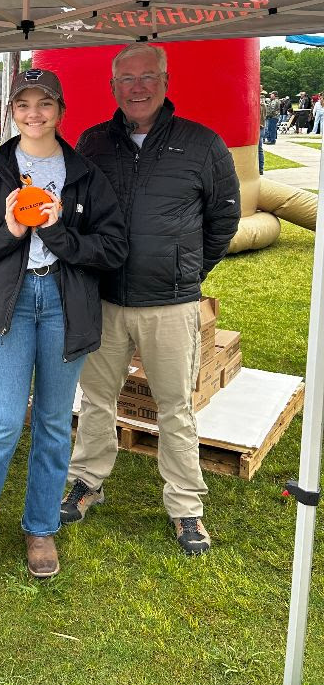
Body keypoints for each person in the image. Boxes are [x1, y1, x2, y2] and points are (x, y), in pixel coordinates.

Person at [0, 70, 127, 599]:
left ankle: (41, 528)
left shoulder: (83, 173)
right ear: (12, 111)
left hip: (65, 305)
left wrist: (58, 231)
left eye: (45, 104)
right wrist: (13, 230)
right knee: (1, 423)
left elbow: (112, 248)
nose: (34, 113)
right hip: (10, 306)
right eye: (24, 104)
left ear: (61, 110)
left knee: (55, 424)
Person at [62, 43, 240, 556]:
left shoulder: (202, 144)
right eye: (127, 79)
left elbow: (223, 218)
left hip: (170, 302)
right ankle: (87, 482)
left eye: (148, 77)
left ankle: (186, 507)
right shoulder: (93, 144)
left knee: (175, 407)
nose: (137, 88)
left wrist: (188, 270)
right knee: (96, 400)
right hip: (107, 299)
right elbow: (77, 213)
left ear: (165, 82)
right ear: (112, 87)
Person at [258, 87, 267, 175]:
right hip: (262, 127)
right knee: (259, 149)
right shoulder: (263, 104)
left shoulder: (259, 104)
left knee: (257, 149)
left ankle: (260, 168)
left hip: (258, 128)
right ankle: (260, 168)